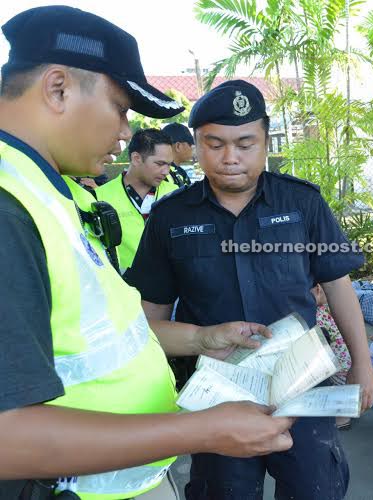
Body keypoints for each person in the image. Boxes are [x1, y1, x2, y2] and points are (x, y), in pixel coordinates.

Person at [0, 6, 295, 500]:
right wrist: (205, 430)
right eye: (120, 108)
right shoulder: (9, 208)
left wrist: (203, 339)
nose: (125, 131)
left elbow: (97, 333)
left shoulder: (50, 193)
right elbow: (8, 434)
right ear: (58, 88)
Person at [125, 79, 373, 500]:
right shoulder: (169, 218)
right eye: (214, 144)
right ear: (197, 145)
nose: (230, 158)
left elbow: (337, 284)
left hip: (303, 383)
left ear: (264, 141)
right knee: (226, 492)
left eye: (245, 143)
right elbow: (148, 321)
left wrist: (363, 363)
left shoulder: (301, 203)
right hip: (218, 392)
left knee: (315, 487)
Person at [96, 128, 178, 273]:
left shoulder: (176, 194)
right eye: (159, 164)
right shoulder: (99, 197)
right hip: (122, 288)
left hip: (170, 288)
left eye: (169, 164)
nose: (166, 171)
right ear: (136, 159)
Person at [312, 284, 352, 429]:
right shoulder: (327, 309)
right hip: (347, 360)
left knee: (338, 390)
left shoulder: (316, 316)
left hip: (339, 365)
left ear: (317, 290)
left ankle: (343, 419)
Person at [162, 122, 194, 187]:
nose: (192, 148)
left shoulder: (181, 172)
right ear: (178, 146)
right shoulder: (162, 173)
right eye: (190, 144)